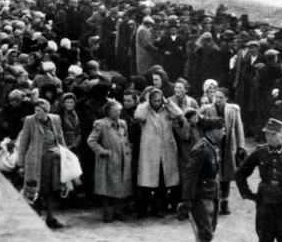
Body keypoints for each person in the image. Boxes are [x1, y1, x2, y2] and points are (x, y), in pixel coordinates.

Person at [177, 116, 228, 242]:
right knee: (205, 234)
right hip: (200, 198)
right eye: (222, 130)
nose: (224, 132)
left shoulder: (211, 146)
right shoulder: (201, 149)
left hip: (211, 196)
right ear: (214, 131)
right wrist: (187, 200)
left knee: (208, 231)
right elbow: (190, 176)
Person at [15, 99, 69, 229]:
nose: (37, 113)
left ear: (46, 111)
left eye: (39, 111)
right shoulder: (30, 121)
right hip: (34, 161)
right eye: (35, 110)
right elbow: (23, 143)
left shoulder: (55, 119)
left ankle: (50, 218)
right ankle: (36, 219)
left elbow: (60, 138)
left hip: (52, 160)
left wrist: (66, 156)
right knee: (33, 190)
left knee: (50, 190)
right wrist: (21, 165)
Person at [133, 88, 186, 218]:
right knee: (146, 181)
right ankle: (143, 209)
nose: (157, 103)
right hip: (149, 150)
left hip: (166, 149)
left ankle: (158, 208)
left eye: (159, 100)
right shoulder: (144, 110)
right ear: (149, 100)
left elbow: (179, 113)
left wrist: (167, 102)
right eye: (154, 100)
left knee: (163, 180)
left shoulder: (167, 110)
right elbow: (138, 116)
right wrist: (146, 102)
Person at [199, 89, 247, 215]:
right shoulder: (207, 109)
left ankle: (225, 201)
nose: (218, 100)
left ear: (226, 98)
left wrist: (241, 146)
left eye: (221, 97)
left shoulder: (233, 110)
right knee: (213, 173)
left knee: (226, 175)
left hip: (228, 145)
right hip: (213, 144)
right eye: (216, 97)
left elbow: (239, 128)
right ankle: (214, 201)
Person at [87, 99, 134, 222]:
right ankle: (106, 212)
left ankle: (117, 210)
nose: (118, 113)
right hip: (108, 160)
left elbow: (125, 139)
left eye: (119, 110)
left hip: (122, 158)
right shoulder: (101, 124)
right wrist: (103, 151)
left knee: (120, 185)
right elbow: (91, 140)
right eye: (115, 111)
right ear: (108, 111)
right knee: (106, 186)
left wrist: (128, 150)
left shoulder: (123, 123)